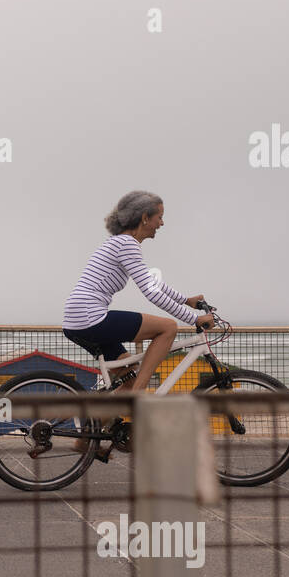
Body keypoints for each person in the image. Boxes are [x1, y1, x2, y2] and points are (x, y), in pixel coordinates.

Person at [63, 190, 214, 457]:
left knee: (129, 374)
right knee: (168, 327)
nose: (162, 223)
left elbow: (153, 283)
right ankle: (139, 398)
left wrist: (187, 300)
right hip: (90, 316)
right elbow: (151, 292)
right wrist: (194, 319)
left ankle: (85, 439)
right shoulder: (127, 244)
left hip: (79, 318)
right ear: (145, 218)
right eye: (160, 217)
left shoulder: (123, 243)